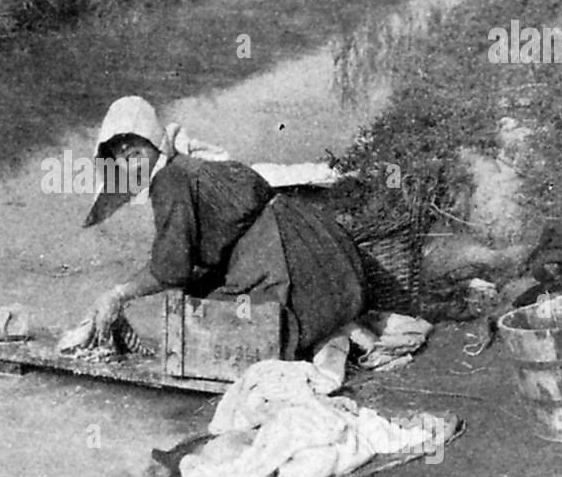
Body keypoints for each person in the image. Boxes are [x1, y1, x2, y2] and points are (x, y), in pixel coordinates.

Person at [82, 96, 367, 359]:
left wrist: (118, 294)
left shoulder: (170, 182)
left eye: (134, 147)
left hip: (291, 265)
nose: (128, 157)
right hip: (329, 262)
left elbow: (170, 271)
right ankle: (337, 326)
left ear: (154, 142)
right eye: (120, 155)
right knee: (200, 305)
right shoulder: (186, 166)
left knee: (204, 340)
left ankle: (321, 330)